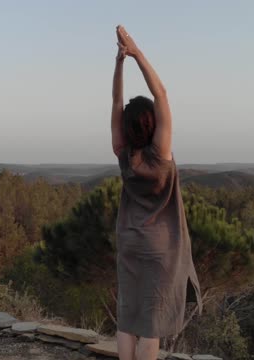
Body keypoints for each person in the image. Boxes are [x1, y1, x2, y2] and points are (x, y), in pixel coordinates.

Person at [111, 25, 203, 360]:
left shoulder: (122, 153)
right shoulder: (160, 157)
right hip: (159, 248)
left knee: (127, 318)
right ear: (152, 124)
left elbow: (116, 100)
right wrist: (135, 53)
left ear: (127, 125)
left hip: (129, 242)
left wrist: (118, 63)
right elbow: (161, 94)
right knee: (150, 326)